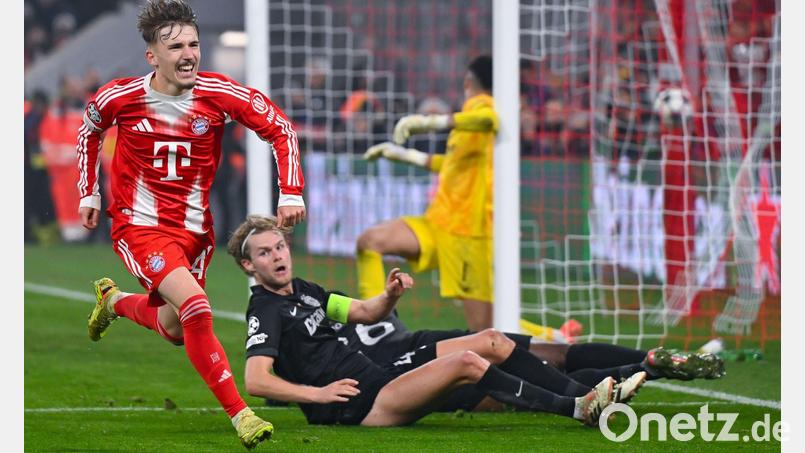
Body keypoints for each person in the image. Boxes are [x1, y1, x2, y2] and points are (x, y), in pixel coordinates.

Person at [77, 0, 305, 449]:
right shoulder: (119, 97)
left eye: (193, 45)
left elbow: (280, 128)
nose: (188, 54)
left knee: (174, 328)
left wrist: (291, 191)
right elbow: (89, 132)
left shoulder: (219, 93)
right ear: (152, 56)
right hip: (139, 226)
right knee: (197, 307)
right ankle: (241, 415)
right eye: (176, 47)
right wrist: (90, 192)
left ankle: (114, 302)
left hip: (196, 233)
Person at [226, 215, 650, 427]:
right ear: (249, 265)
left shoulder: (305, 291)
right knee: (467, 362)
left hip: (379, 378)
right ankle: (577, 408)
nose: (277, 256)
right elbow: (256, 380)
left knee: (490, 339)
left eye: (279, 247)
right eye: (265, 253)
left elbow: (364, 313)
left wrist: (390, 295)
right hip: (361, 405)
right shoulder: (265, 309)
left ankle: (587, 394)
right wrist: (317, 395)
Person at [356, 55, 566, 337]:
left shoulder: (487, 108)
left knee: (485, 330)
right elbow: (453, 165)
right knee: (371, 241)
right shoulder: (470, 119)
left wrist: (429, 122)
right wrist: (404, 155)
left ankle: (553, 339)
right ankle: (377, 326)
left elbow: (488, 119)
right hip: (439, 223)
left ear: (469, 81)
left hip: (467, 236)